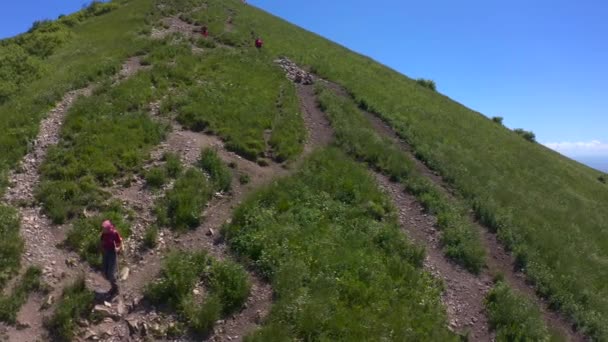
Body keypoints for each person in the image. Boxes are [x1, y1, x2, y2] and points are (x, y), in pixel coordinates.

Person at [100, 220, 122, 296]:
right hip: (105, 253)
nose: (103, 229)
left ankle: (115, 287)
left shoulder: (114, 234)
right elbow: (102, 242)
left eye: (104, 228)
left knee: (110, 273)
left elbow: (119, 243)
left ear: (108, 228)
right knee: (104, 273)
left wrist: (118, 248)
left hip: (112, 254)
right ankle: (113, 285)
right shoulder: (103, 234)